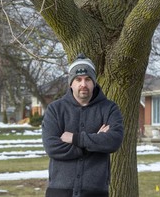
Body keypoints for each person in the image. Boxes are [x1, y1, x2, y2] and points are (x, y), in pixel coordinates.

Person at [42, 53, 124, 197]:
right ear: (70, 83)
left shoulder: (109, 108)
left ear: (94, 82)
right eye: (78, 79)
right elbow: (52, 147)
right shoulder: (55, 109)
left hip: (95, 191)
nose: (83, 84)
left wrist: (76, 139)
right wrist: (95, 142)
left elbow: (113, 141)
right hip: (59, 190)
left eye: (87, 79)